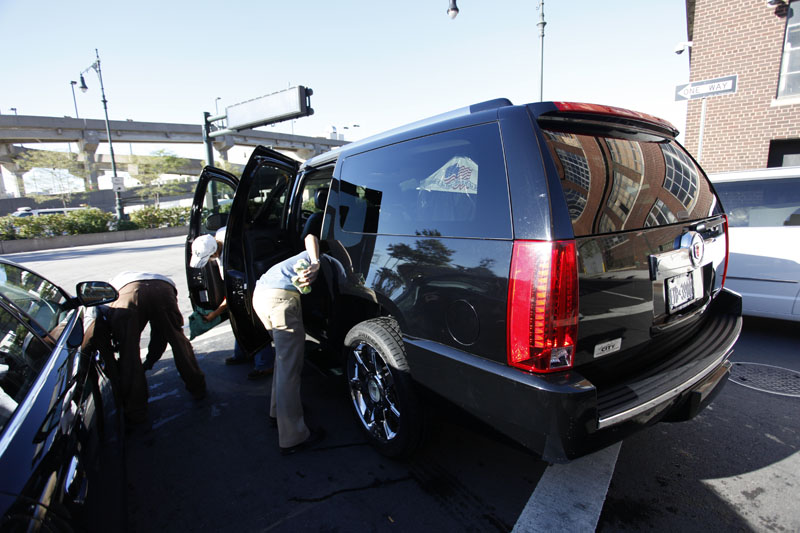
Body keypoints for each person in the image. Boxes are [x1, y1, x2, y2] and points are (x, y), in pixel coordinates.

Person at [83, 272, 207, 425]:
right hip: (164, 287)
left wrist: (118, 368)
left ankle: (136, 410)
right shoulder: (121, 281)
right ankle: (198, 388)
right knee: (179, 342)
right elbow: (160, 335)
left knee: (130, 352)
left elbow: (95, 331)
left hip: (128, 295)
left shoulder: (100, 302)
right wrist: (150, 360)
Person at [252, 231, 324, 455]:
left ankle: (278, 414)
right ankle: (293, 437)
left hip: (260, 297)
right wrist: (317, 262)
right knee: (290, 369)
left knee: (283, 364)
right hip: (280, 301)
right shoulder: (313, 257)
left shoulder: (289, 262)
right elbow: (311, 235)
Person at [190, 229, 275, 379]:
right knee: (239, 320)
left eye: (210, 257)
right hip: (245, 281)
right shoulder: (223, 233)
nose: (210, 261)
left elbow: (232, 291)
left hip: (252, 286)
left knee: (254, 324)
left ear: (215, 252)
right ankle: (242, 353)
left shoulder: (232, 260)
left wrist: (215, 313)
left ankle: (265, 364)